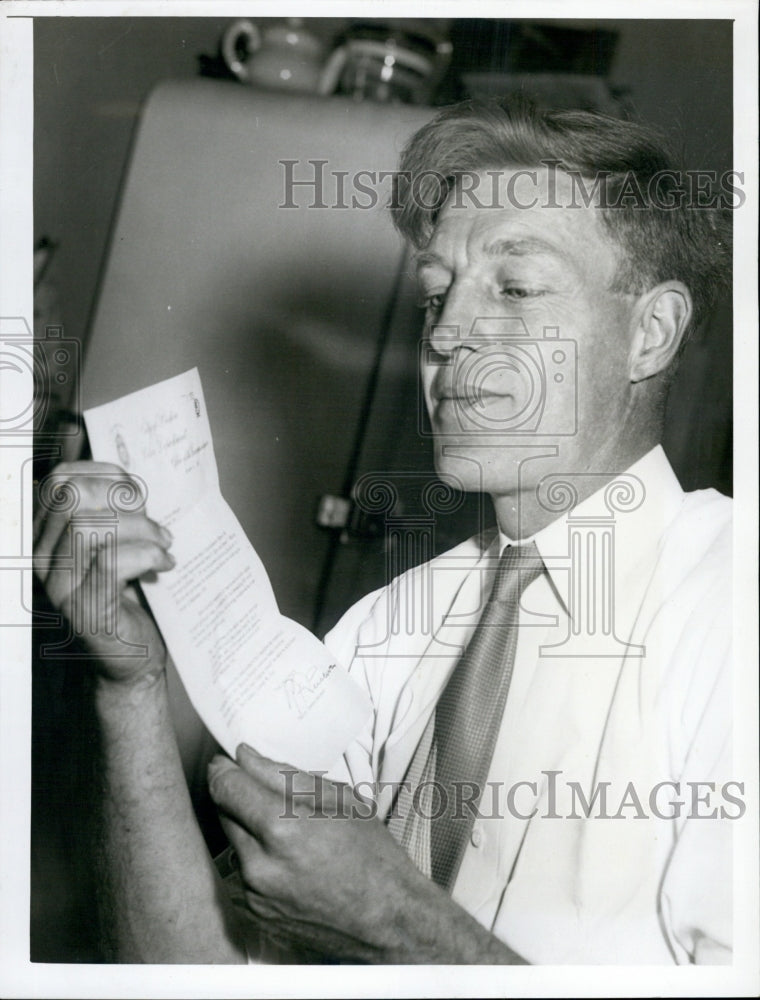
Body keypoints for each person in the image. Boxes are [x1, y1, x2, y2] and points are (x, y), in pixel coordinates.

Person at [35, 100, 733, 964]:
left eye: (514, 289)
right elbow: (196, 976)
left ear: (650, 334)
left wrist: (394, 921)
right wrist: (128, 693)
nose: (444, 335)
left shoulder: (729, 606)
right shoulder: (388, 629)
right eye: (437, 292)